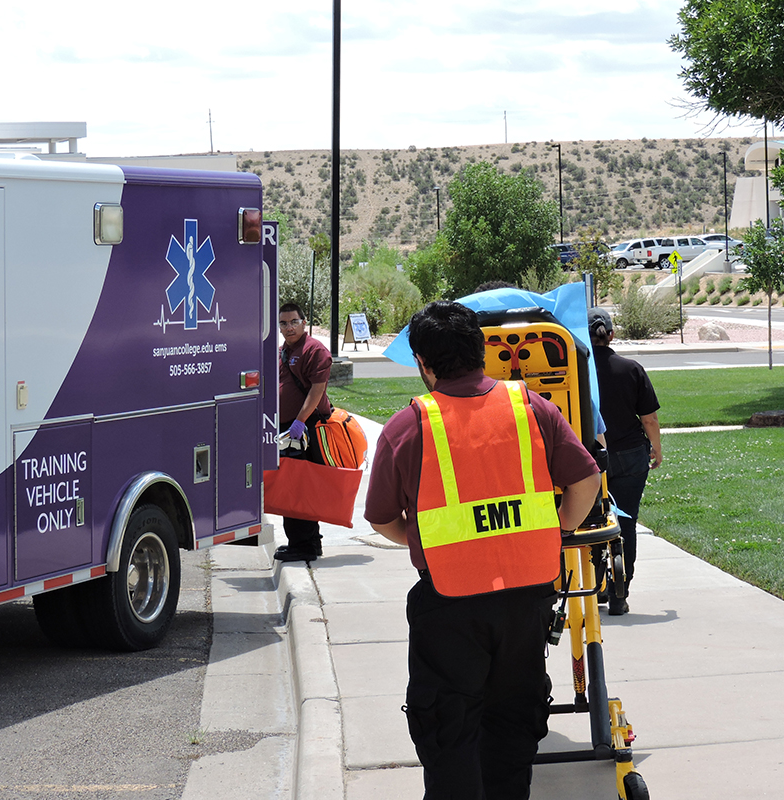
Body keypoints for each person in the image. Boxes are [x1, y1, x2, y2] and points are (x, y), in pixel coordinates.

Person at [364, 300, 602, 800]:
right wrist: (553, 532)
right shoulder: (532, 408)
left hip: (449, 607)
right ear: (481, 352)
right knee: (513, 727)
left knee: (449, 731)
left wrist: (423, 537)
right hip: (526, 604)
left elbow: (384, 518)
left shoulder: (408, 428)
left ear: (424, 365)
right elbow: (586, 481)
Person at [588, 307, 662, 616]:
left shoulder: (577, 374)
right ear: (612, 335)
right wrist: (656, 449)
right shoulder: (631, 368)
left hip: (590, 458)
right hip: (631, 455)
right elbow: (649, 418)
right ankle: (621, 592)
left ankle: (596, 586)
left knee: (589, 523)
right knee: (627, 521)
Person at [276, 301, 333, 563]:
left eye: (294, 322)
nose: (289, 327)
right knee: (291, 486)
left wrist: (299, 421)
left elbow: (316, 390)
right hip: (288, 429)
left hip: (305, 427)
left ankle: (307, 545)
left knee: (300, 487)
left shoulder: (314, 350)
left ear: (304, 322)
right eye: (284, 323)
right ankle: (302, 541)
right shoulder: (282, 352)